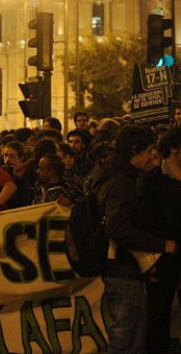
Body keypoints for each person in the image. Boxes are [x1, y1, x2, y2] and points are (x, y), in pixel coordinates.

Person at [91, 125, 176, 353]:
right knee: (127, 342)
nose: (154, 158)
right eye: (150, 151)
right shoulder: (121, 181)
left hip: (118, 269)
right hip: (123, 270)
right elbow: (117, 227)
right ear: (135, 150)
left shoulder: (109, 174)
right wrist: (162, 245)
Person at [137, 127, 181, 353]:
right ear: (174, 148)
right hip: (162, 258)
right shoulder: (150, 181)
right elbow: (147, 220)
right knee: (158, 314)